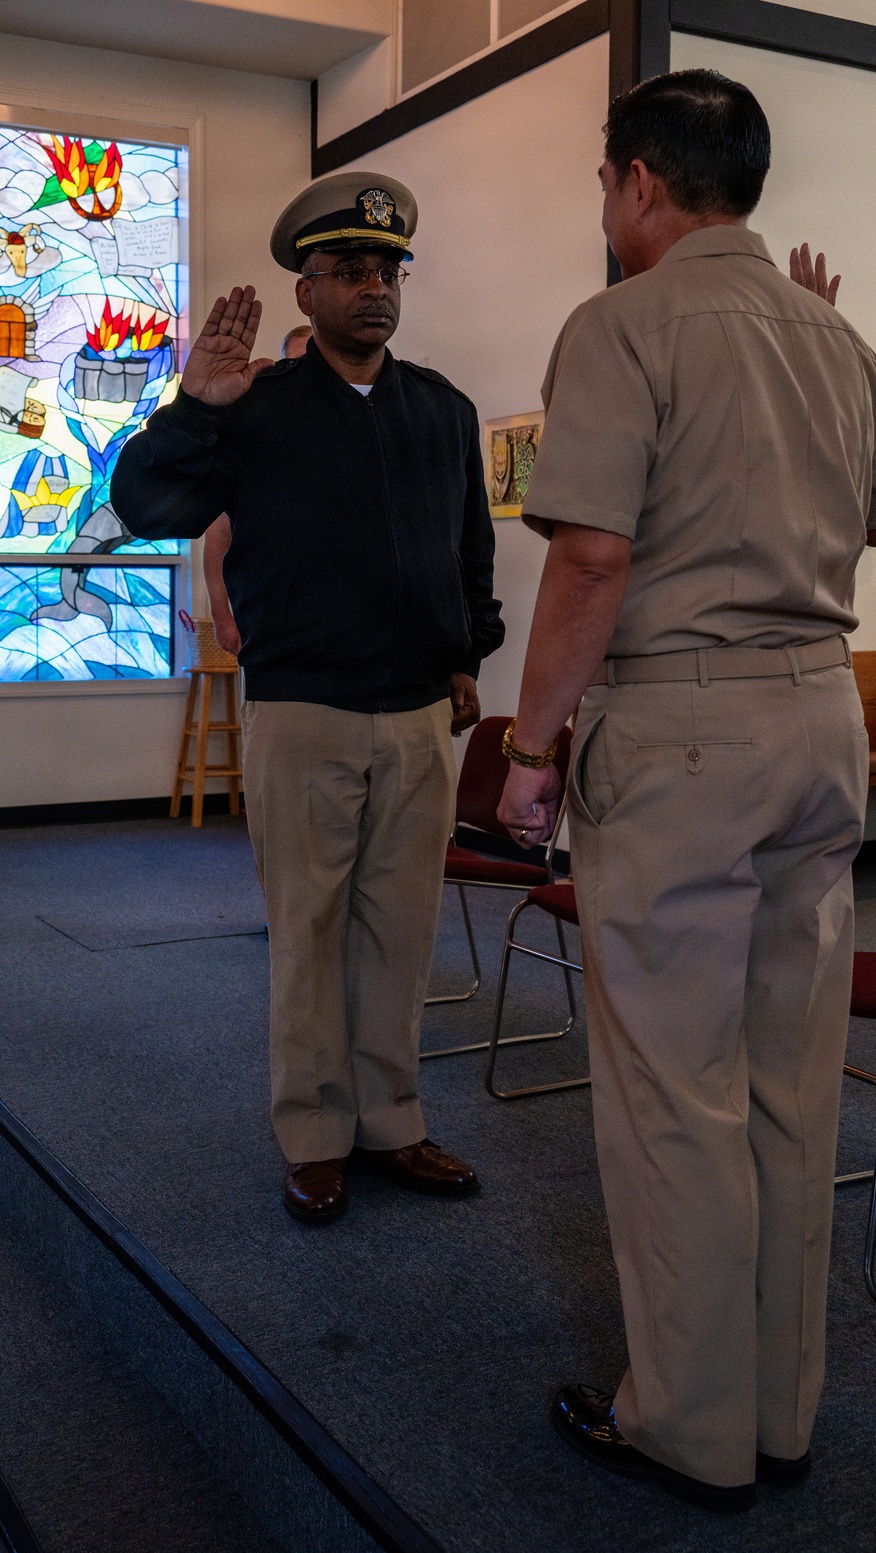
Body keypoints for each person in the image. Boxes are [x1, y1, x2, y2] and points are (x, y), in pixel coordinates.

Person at [498, 70, 876, 1513]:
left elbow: (592, 559)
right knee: (793, 1084)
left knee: (675, 1094)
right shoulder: (833, 335)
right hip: (820, 718)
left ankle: (687, 1423)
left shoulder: (623, 323)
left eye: (607, 187)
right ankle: (780, 1412)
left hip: (683, 734)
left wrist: (535, 749)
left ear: (636, 184)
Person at [112, 171, 504, 1223]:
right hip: (305, 714)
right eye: (348, 270)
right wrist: (194, 406)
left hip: (420, 716)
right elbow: (144, 505)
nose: (373, 286)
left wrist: (472, 652)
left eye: (388, 268)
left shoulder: (441, 408)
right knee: (310, 930)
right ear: (307, 292)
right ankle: (315, 1132)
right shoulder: (255, 410)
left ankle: (392, 1120)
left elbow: (471, 549)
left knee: (400, 932)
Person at [202, 323, 311, 655]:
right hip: (269, 622)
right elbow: (218, 537)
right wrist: (223, 618)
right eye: (294, 363)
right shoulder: (254, 434)